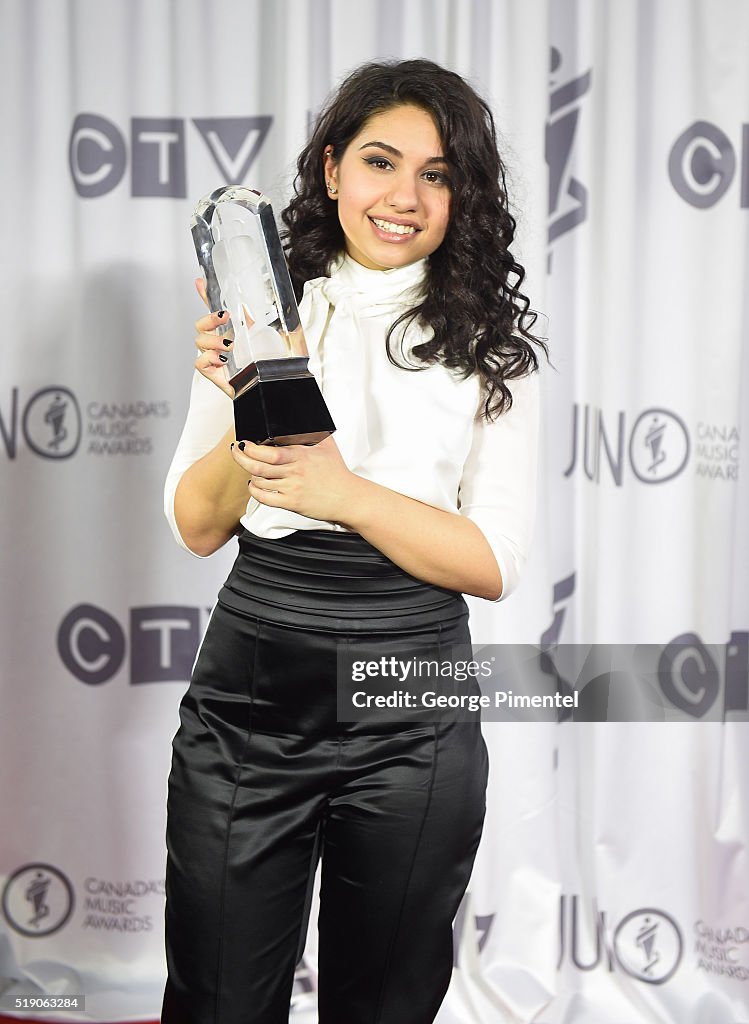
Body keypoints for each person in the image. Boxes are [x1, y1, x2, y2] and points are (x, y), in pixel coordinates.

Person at [161, 58, 544, 1024]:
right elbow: (199, 524)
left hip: (416, 705)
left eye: (438, 173)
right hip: (250, 695)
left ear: (465, 194)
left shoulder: (492, 347)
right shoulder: (259, 315)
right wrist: (247, 392)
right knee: (217, 1000)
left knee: (384, 1005)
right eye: (380, 162)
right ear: (332, 172)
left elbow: (492, 564)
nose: (404, 196)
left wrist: (345, 494)